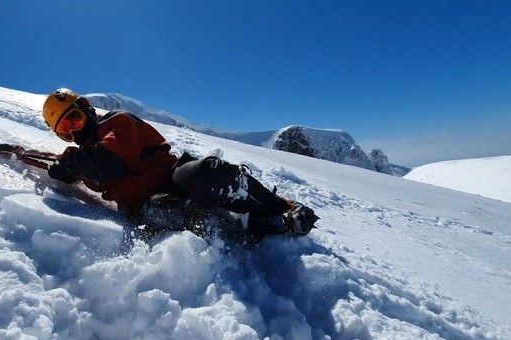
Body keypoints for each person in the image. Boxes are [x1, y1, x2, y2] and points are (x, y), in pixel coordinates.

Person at [42, 88, 319, 240]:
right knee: (168, 214)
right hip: (146, 205)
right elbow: (49, 158)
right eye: (65, 131)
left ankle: (281, 208)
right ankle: (242, 234)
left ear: (87, 108)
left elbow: (114, 161)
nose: (74, 132)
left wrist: (72, 164)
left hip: (173, 177)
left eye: (74, 120)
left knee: (204, 173)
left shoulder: (117, 122)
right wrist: (56, 165)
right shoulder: (82, 157)